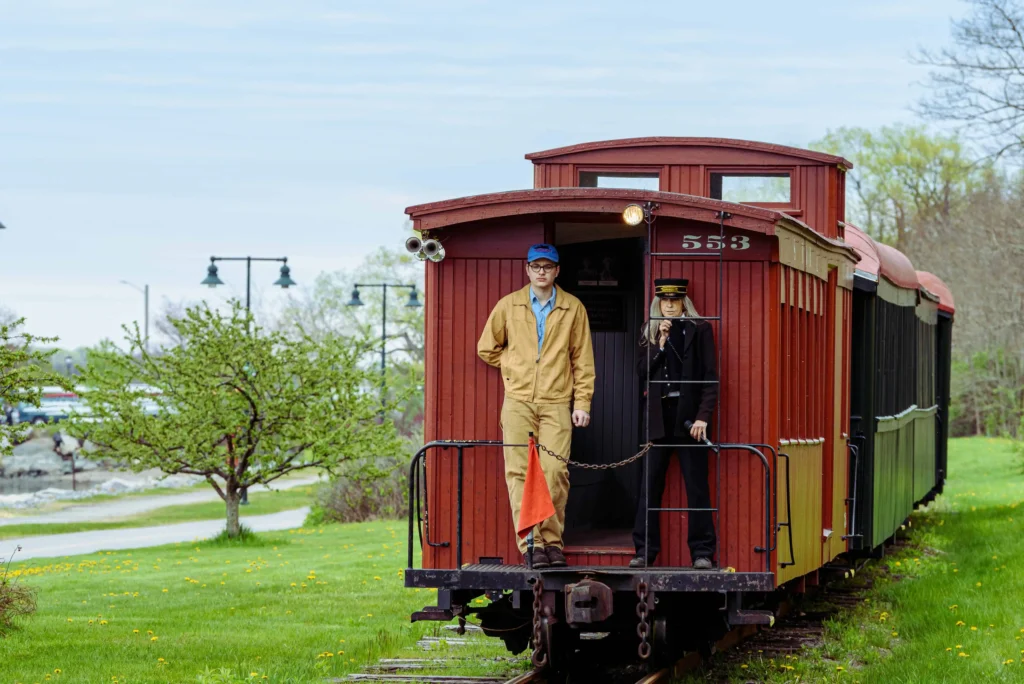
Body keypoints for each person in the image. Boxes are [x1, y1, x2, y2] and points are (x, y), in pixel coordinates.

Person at [478, 243, 596, 569]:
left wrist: (582, 402)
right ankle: (532, 545)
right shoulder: (509, 306)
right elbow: (486, 348)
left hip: (557, 402)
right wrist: (513, 364)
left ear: (557, 270)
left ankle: (553, 542)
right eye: (536, 266)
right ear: (527, 269)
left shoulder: (573, 308)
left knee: (554, 471)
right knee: (519, 473)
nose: (541, 271)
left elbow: (582, 361)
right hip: (517, 403)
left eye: (548, 266)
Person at [631, 278, 717, 569]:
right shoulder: (650, 331)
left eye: (675, 300)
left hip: (689, 418)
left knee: (697, 486)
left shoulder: (701, 330)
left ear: (683, 302)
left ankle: (702, 552)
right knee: (648, 486)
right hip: (657, 418)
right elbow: (642, 372)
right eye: (664, 300)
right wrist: (660, 345)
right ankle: (644, 551)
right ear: (658, 302)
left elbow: (710, 377)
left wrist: (704, 417)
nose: (669, 305)